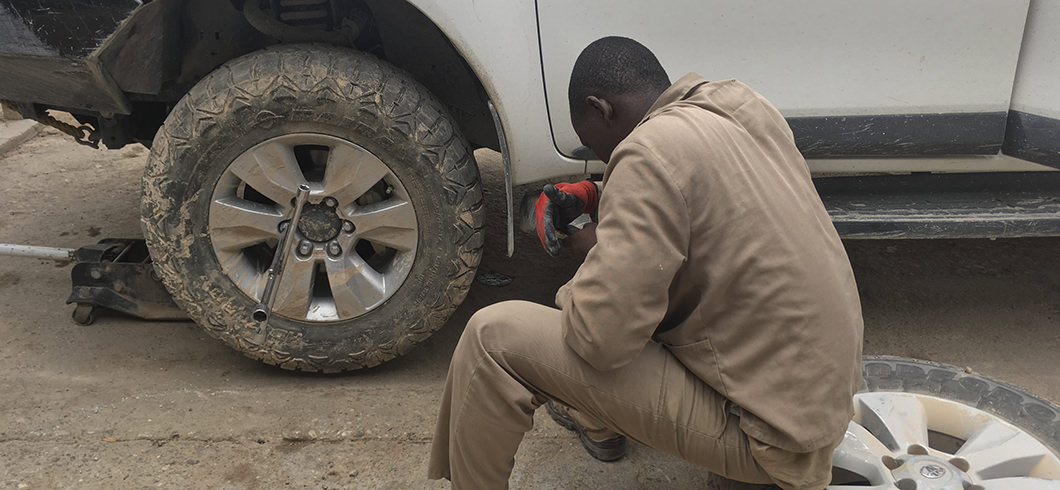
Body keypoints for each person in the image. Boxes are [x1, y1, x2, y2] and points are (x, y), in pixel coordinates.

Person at [428, 36, 864, 490]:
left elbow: (601, 339)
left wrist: (592, 254)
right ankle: (597, 421)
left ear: (601, 108)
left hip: (771, 442)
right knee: (635, 287)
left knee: (494, 340)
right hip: (817, 404)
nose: (600, 157)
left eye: (590, 142)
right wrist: (603, 196)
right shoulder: (738, 104)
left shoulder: (647, 154)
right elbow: (704, 203)